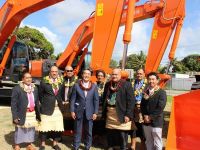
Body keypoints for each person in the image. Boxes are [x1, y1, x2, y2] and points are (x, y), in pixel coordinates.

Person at [102, 68, 135, 150]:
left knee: (122, 133)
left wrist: (128, 114)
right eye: (113, 74)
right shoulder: (108, 84)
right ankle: (111, 146)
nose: (114, 76)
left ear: (120, 75)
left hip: (122, 113)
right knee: (110, 131)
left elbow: (131, 101)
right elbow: (104, 98)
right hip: (110, 112)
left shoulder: (127, 84)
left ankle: (123, 147)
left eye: (116, 74)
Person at [70, 68, 99, 150]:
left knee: (89, 131)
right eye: (85, 73)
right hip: (78, 111)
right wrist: (72, 111)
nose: (86, 75)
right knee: (77, 131)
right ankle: (76, 146)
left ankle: (87, 146)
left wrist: (95, 112)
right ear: (82, 75)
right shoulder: (76, 85)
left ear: (90, 76)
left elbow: (96, 100)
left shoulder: (94, 86)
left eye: (88, 74)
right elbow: (72, 99)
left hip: (90, 112)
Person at [11, 71, 40, 150]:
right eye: (26, 78)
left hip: (32, 113)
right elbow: (13, 104)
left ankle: (29, 144)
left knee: (30, 129)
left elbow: (36, 101)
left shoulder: (35, 88)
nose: (29, 79)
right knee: (20, 128)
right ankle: (17, 144)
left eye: (30, 77)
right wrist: (15, 116)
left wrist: (38, 113)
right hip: (21, 112)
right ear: (23, 79)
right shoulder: (17, 88)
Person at [38, 66, 64, 150]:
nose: (54, 73)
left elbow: (61, 94)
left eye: (56, 71)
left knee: (57, 127)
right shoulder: (44, 81)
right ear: (49, 72)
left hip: (58, 108)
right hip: (46, 108)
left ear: (58, 72)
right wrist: (45, 103)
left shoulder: (61, 81)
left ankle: (55, 143)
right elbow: (40, 95)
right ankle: (42, 144)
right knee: (44, 127)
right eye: (52, 71)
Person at [141, 72, 167, 150]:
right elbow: (142, 105)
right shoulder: (146, 91)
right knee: (148, 141)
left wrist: (150, 117)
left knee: (157, 141)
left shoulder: (162, 92)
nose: (151, 81)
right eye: (149, 79)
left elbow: (160, 107)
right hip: (146, 121)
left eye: (153, 79)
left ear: (157, 80)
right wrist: (144, 116)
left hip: (156, 121)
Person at [130, 68, 147, 150]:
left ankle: (142, 146)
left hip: (142, 109)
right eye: (137, 73)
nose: (139, 75)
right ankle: (132, 146)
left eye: (140, 73)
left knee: (142, 128)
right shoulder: (132, 83)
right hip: (133, 108)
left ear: (144, 74)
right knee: (133, 127)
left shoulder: (147, 84)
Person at [62, 66, 78, 131]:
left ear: (73, 71)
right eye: (67, 71)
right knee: (64, 119)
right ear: (65, 72)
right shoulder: (61, 80)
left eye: (71, 70)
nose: (69, 72)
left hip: (73, 103)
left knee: (73, 119)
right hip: (63, 102)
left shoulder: (77, 80)